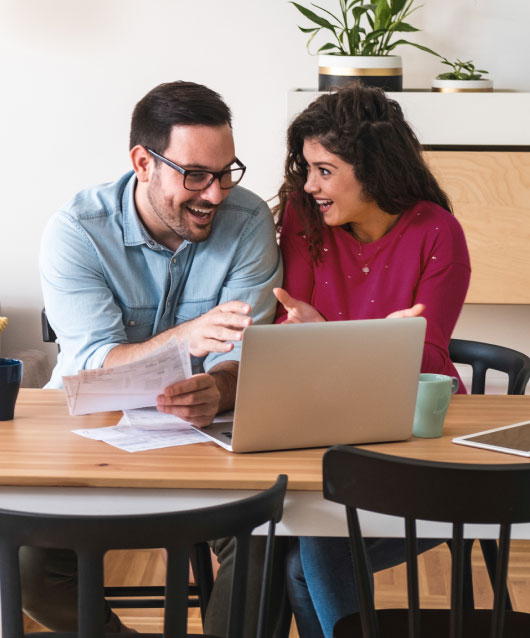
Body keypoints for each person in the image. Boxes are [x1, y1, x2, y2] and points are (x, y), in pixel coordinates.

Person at [25, 81, 283, 637]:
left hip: (206, 435)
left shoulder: (248, 220)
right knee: (30, 570)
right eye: (194, 175)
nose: (215, 195)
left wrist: (223, 387)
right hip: (90, 433)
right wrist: (185, 338)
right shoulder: (76, 231)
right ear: (144, 162)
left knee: (266, 540)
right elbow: (91, 363)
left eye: (224, 172)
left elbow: (248, 352)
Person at [272, 84, 471, 637]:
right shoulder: (303, 217)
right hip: (324, 434)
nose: (310, 184)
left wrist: (329, 339)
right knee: (307, 544)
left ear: (372, 168)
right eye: (307, 168)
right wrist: (366, 347)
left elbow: (426, 359)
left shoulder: (437, 232)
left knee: (310, 548)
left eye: (325, 170)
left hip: (421, 445)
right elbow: (292, 336)